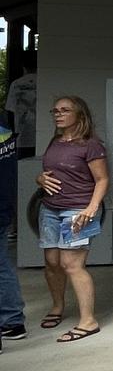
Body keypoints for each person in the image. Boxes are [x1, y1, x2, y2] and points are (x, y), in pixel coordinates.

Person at [31, 96, 107, 343]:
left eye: (65, 110)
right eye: (55, 110)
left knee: (72, 265)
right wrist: (39, 180)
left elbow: (102, 180)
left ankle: (88, 321)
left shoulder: (91, 145)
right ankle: (57, 306)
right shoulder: (56, 141)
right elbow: (48, 174)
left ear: (80, 115)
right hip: (50, 208)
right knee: (52, 262)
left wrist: (91, 209)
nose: (58, 114)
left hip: (78, 211)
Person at [0, 121, 24, 349]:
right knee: (2, 264)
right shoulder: (4, 132)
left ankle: (12, 320)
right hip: (4, 206)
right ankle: (12, 321)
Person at [4, 53, 37, 159]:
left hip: (22, 132)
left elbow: (10, 109)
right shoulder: (44, 83)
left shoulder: (16, 84)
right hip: (41, 133)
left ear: (23, 67)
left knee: (21, 165)